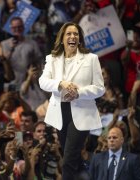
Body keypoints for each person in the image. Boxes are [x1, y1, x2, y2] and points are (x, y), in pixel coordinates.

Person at [39, 22, 105, 179]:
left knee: (68, 158)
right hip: (60, 114)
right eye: (68, 34)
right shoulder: (52, 59)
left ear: (80, 39)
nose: (72, 37)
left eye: (76, 34)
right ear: (62, 38)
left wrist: (79, 93)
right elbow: (43, 82)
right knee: (74, 158)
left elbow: (100, 88)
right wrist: (60, 84)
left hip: (82, 114)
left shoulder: (91, 59)